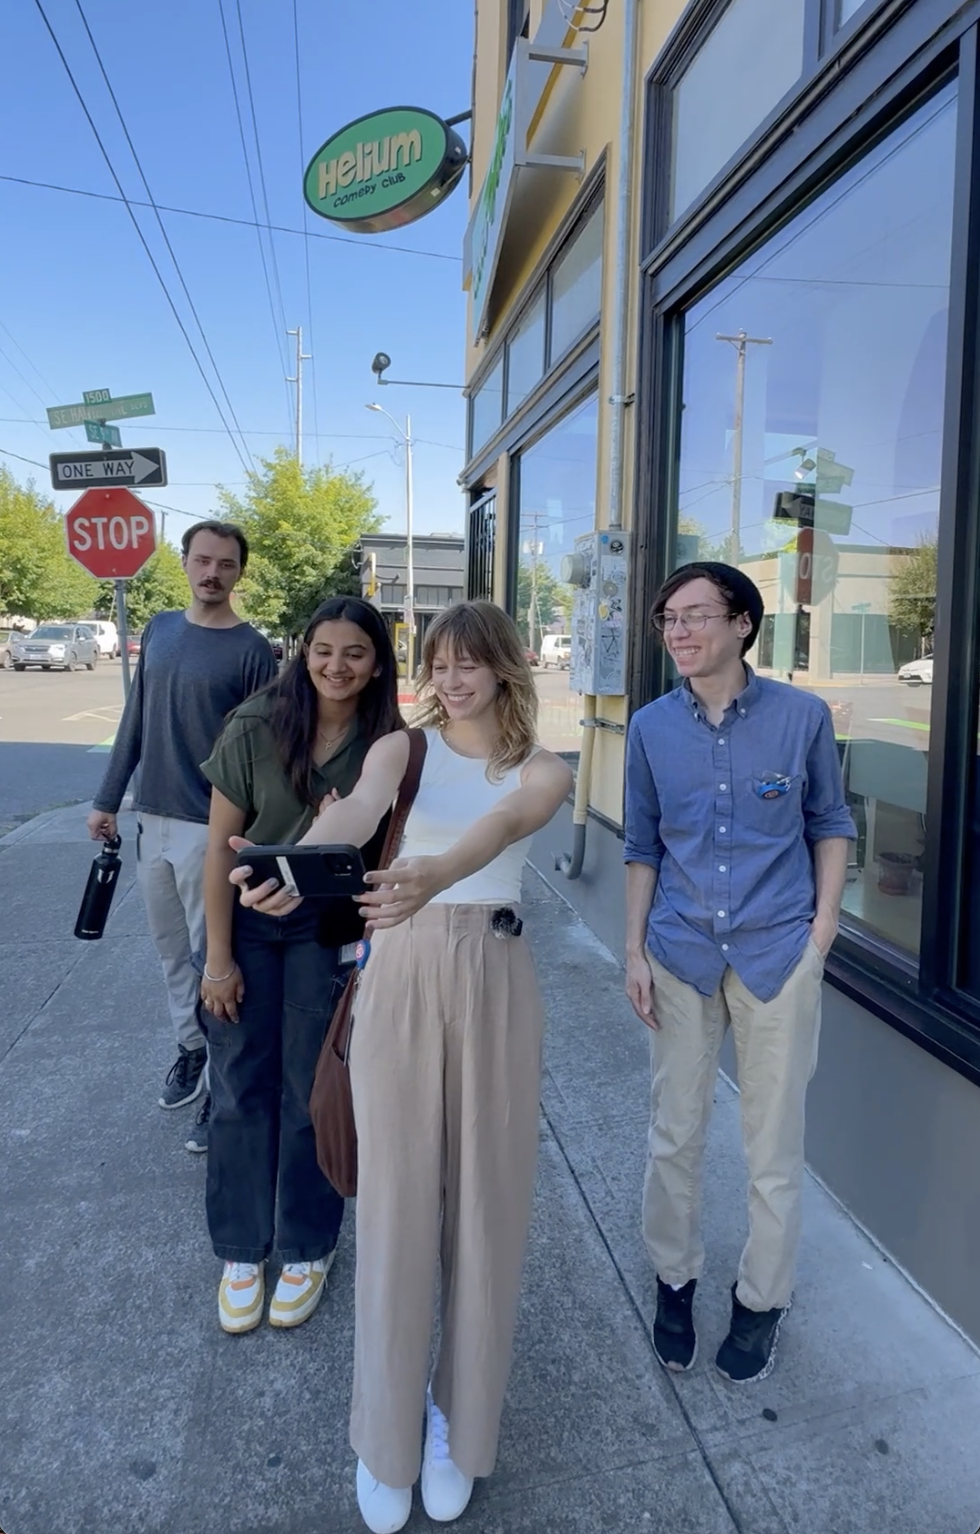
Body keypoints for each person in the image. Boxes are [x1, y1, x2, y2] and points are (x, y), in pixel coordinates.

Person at [232, 601, 572, 1533]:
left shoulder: (544, 769)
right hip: (402, 975)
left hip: (497, 976)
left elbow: (503, 829)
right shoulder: (401, 753)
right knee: (392, 1210)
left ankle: (459, 1423)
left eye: (470, 663)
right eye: (438, 663)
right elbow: (340, 830)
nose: (451, 679)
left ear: (506, 667)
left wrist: (438, 871)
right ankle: (386, 1438)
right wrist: (278, 870)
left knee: (486, 1211)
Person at [624, 562, 856, 1385]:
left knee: (773, 1146)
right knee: (674, 1133)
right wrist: (633, 950)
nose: (678, 633)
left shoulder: (801, 719)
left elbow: (830, 820)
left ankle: (762, 1300)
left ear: (743, 624)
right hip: (681, 952)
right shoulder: (651, 728)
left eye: (694, 616)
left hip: (777, 951)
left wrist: (821, 929)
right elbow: (642, 845)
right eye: (667, 621)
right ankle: (675, 1281)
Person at [198, 597, 402, 1333]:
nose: (336, 666)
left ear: (377, 661)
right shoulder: (257, 723)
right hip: (249, 921)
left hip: (329, 929)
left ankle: (308, 1244)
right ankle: (242, 1249)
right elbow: (217, 850)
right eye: (323, 650)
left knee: (312, 1089)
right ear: (303, 652)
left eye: (354, 652)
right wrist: (217, 960)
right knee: (241, 1086)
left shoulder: (389, 741)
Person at [87, 521, 277, 1119]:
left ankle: (224, 1081)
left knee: (213, 958)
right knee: (171, 952)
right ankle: (191, 1049)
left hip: (210, 829)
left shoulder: (251, 649)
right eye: (202, 560)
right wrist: (108, 798)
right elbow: (135, 719)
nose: (212, 573)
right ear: (186, 563)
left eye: (225, 563)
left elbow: (261, 751)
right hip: (153, 820)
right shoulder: (161, 629)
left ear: (239, 572)